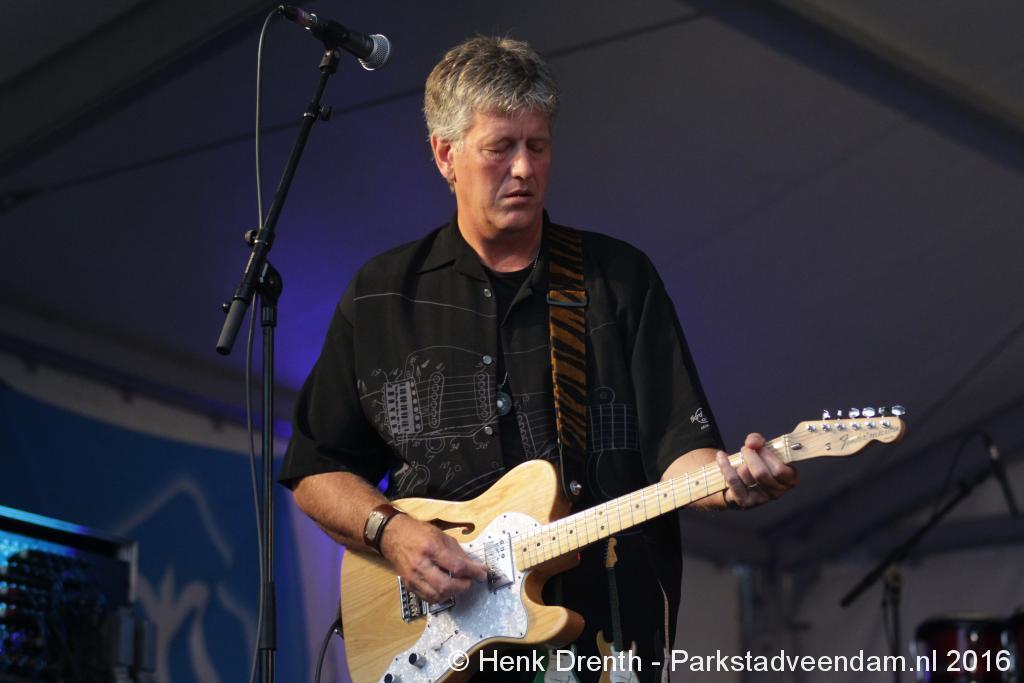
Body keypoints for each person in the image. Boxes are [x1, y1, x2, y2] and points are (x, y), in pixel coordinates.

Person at [279, 36, 798, 682]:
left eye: (538, 145)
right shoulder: (382, 295)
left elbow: (681, 453)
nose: (524, 168)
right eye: (501, 147)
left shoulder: (618, 280)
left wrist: (734, 480)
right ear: (445, 154)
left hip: (601, 644)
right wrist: (393, 533)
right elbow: (315, 468)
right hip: (439, 654)